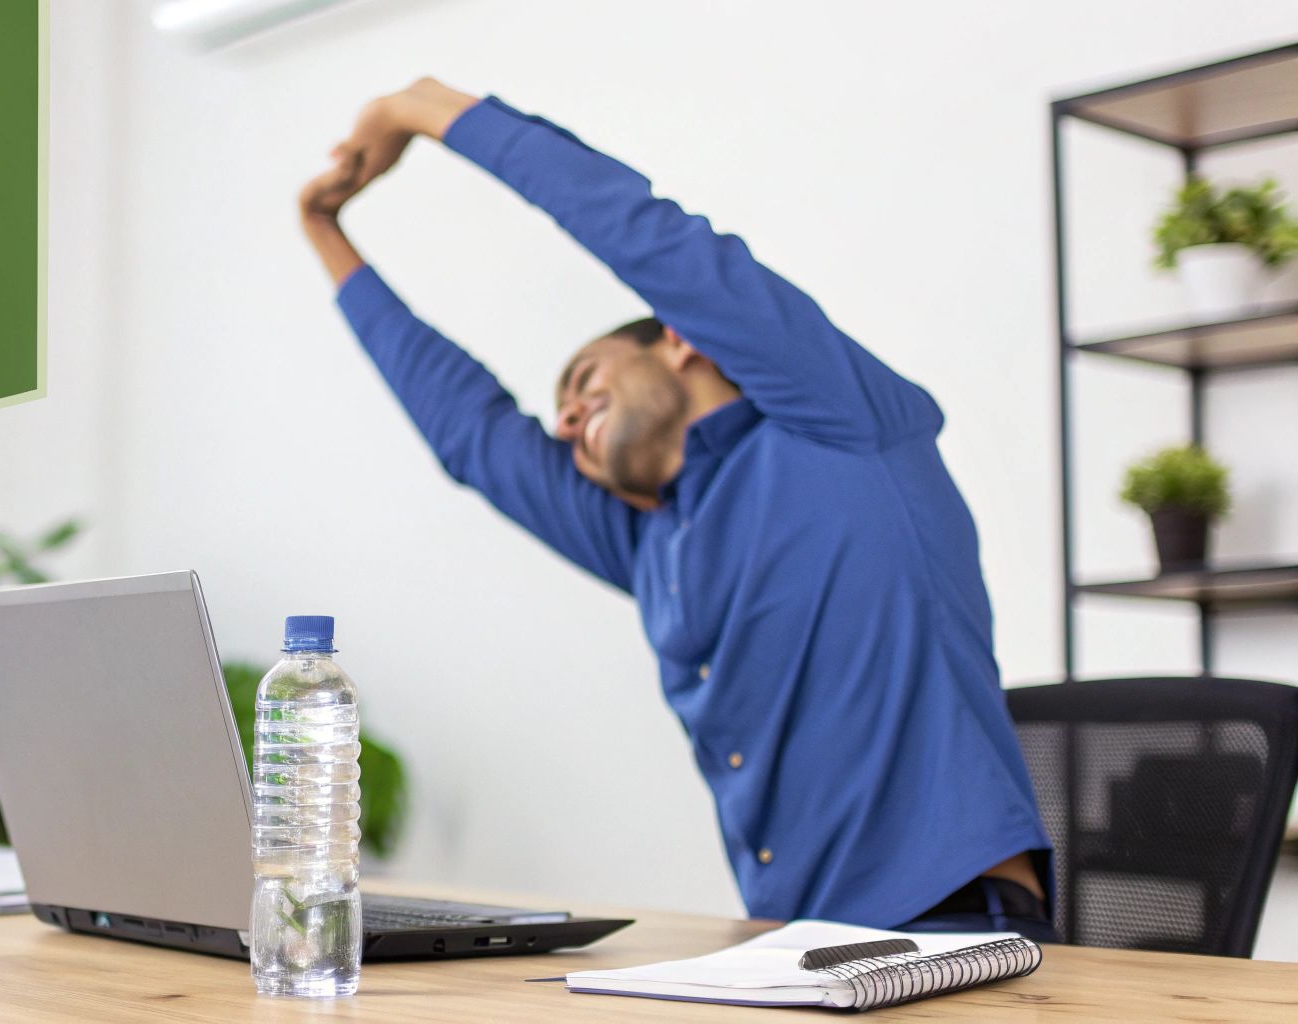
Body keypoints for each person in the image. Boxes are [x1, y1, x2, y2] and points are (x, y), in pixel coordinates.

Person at [297, 79, 1055, 941]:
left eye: (586, 382)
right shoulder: (651, 538)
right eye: (565, 421)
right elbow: (471, 435)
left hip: (954, 926)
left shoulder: (838, 420)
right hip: (792, 944)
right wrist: (324, 233)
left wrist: (420, 109)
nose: (571, 420)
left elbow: (643, 233)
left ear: (685, 339)